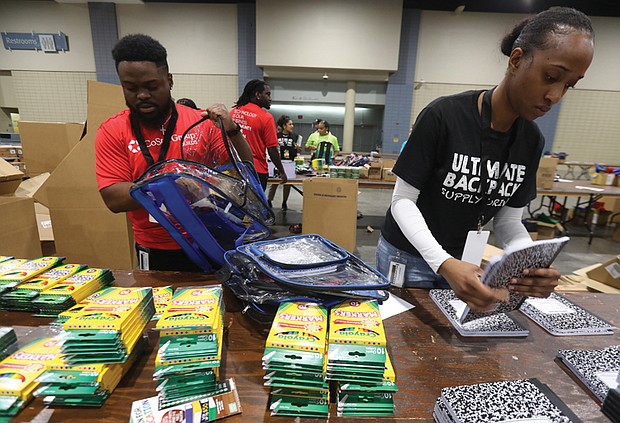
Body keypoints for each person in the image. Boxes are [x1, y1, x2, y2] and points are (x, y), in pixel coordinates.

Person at [376, 7, 594, 312]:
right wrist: (444, 263)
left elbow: (508, 219)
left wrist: (529, 263)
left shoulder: (532, 141)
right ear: (517, 60)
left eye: (568, 85)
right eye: (551, 77)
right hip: (409, 258)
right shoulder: (444, 116)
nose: (555, 96)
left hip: (466, 264)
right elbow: (402, 201)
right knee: (404, 345)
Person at [95, 34, 253, 272]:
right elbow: (113, 198)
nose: (142, 95)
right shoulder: (113, 130)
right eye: (131, 88)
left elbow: (243, 170)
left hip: (210, 240)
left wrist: (232, 129)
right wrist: (171, 184)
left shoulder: (199, 122)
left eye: (151, 86)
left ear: (169, 80)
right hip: (154, 247)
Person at [231, 79, 287, 190]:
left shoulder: (233, 112)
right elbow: (272, 149)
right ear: (257, 95)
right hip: (255, 170)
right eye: (267, 94)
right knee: (255, 205)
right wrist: (282, 171)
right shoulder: (266, 117)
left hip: (233, 167)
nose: (270, 98)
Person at [267, 115, 301, 210]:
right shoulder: (276, 136)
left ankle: (284, 202)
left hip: (290, 162)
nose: (292, 126)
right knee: (274, 183)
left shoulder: (295, 136)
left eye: (292, 124)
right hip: (279, 161)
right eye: (290, 124)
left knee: (288, 184)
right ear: (284, 126)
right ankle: (269, 200)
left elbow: (298, 151)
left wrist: (298, 149)